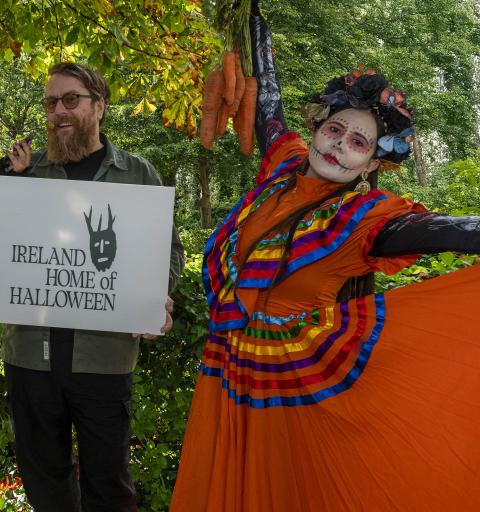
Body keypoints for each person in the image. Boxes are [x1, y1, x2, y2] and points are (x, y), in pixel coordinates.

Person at [170, 2, 480, 511]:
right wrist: (255, 23)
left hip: (286, 390)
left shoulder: (361, 218)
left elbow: (444, 232)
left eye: (358, 142)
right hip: (226, 370)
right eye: (335, 129)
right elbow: (267, 104)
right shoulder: (284, 166)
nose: (339, 146)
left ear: (372, 163)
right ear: (319, 127)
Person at [0, 62, 184, 511]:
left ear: (99, 106)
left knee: (109, 483)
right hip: (29, 356)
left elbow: (168, 251)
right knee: (44, 479)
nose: (59, 110)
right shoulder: (21, 171)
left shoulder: (137, 174)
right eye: (51, 102)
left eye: (71, 100)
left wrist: (152, 294)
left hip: (104, 357)